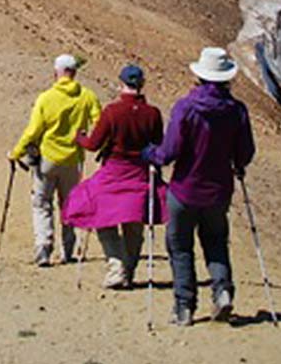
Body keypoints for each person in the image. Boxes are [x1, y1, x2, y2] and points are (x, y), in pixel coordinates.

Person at [143, 46, 255, 326]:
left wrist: (150, 154)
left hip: (184, 190)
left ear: (200, 77)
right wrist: (236, 164)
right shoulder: (237, 111)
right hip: (219, 192)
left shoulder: (186, 107)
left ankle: (184, 307)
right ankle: (222, 291)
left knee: (180, 246)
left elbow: (169, 151)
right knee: (216, 242)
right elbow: (245, 152)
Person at [62, 64, 166, 289]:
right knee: (134, 222)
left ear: (121, 83)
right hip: (140, 173)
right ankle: (128, 270)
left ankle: (116, 265)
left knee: (100, 216)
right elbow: (159, 146)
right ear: (142, 84)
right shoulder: (153, 114)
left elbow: (93, 144)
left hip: (114, 172)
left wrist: (79, 138)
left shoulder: (112, 112)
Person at [9, 54, 101, 267]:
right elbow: (99, 122)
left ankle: (43, 246)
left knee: (41, 203)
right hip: (73, 160)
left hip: (47, 160)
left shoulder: (46, 98)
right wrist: (86, 139)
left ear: (56, 72)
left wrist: (16, 153)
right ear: (75, 72)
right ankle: (67, 250)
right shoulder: (87, 96)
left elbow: (33, 131)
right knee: (68, 204)